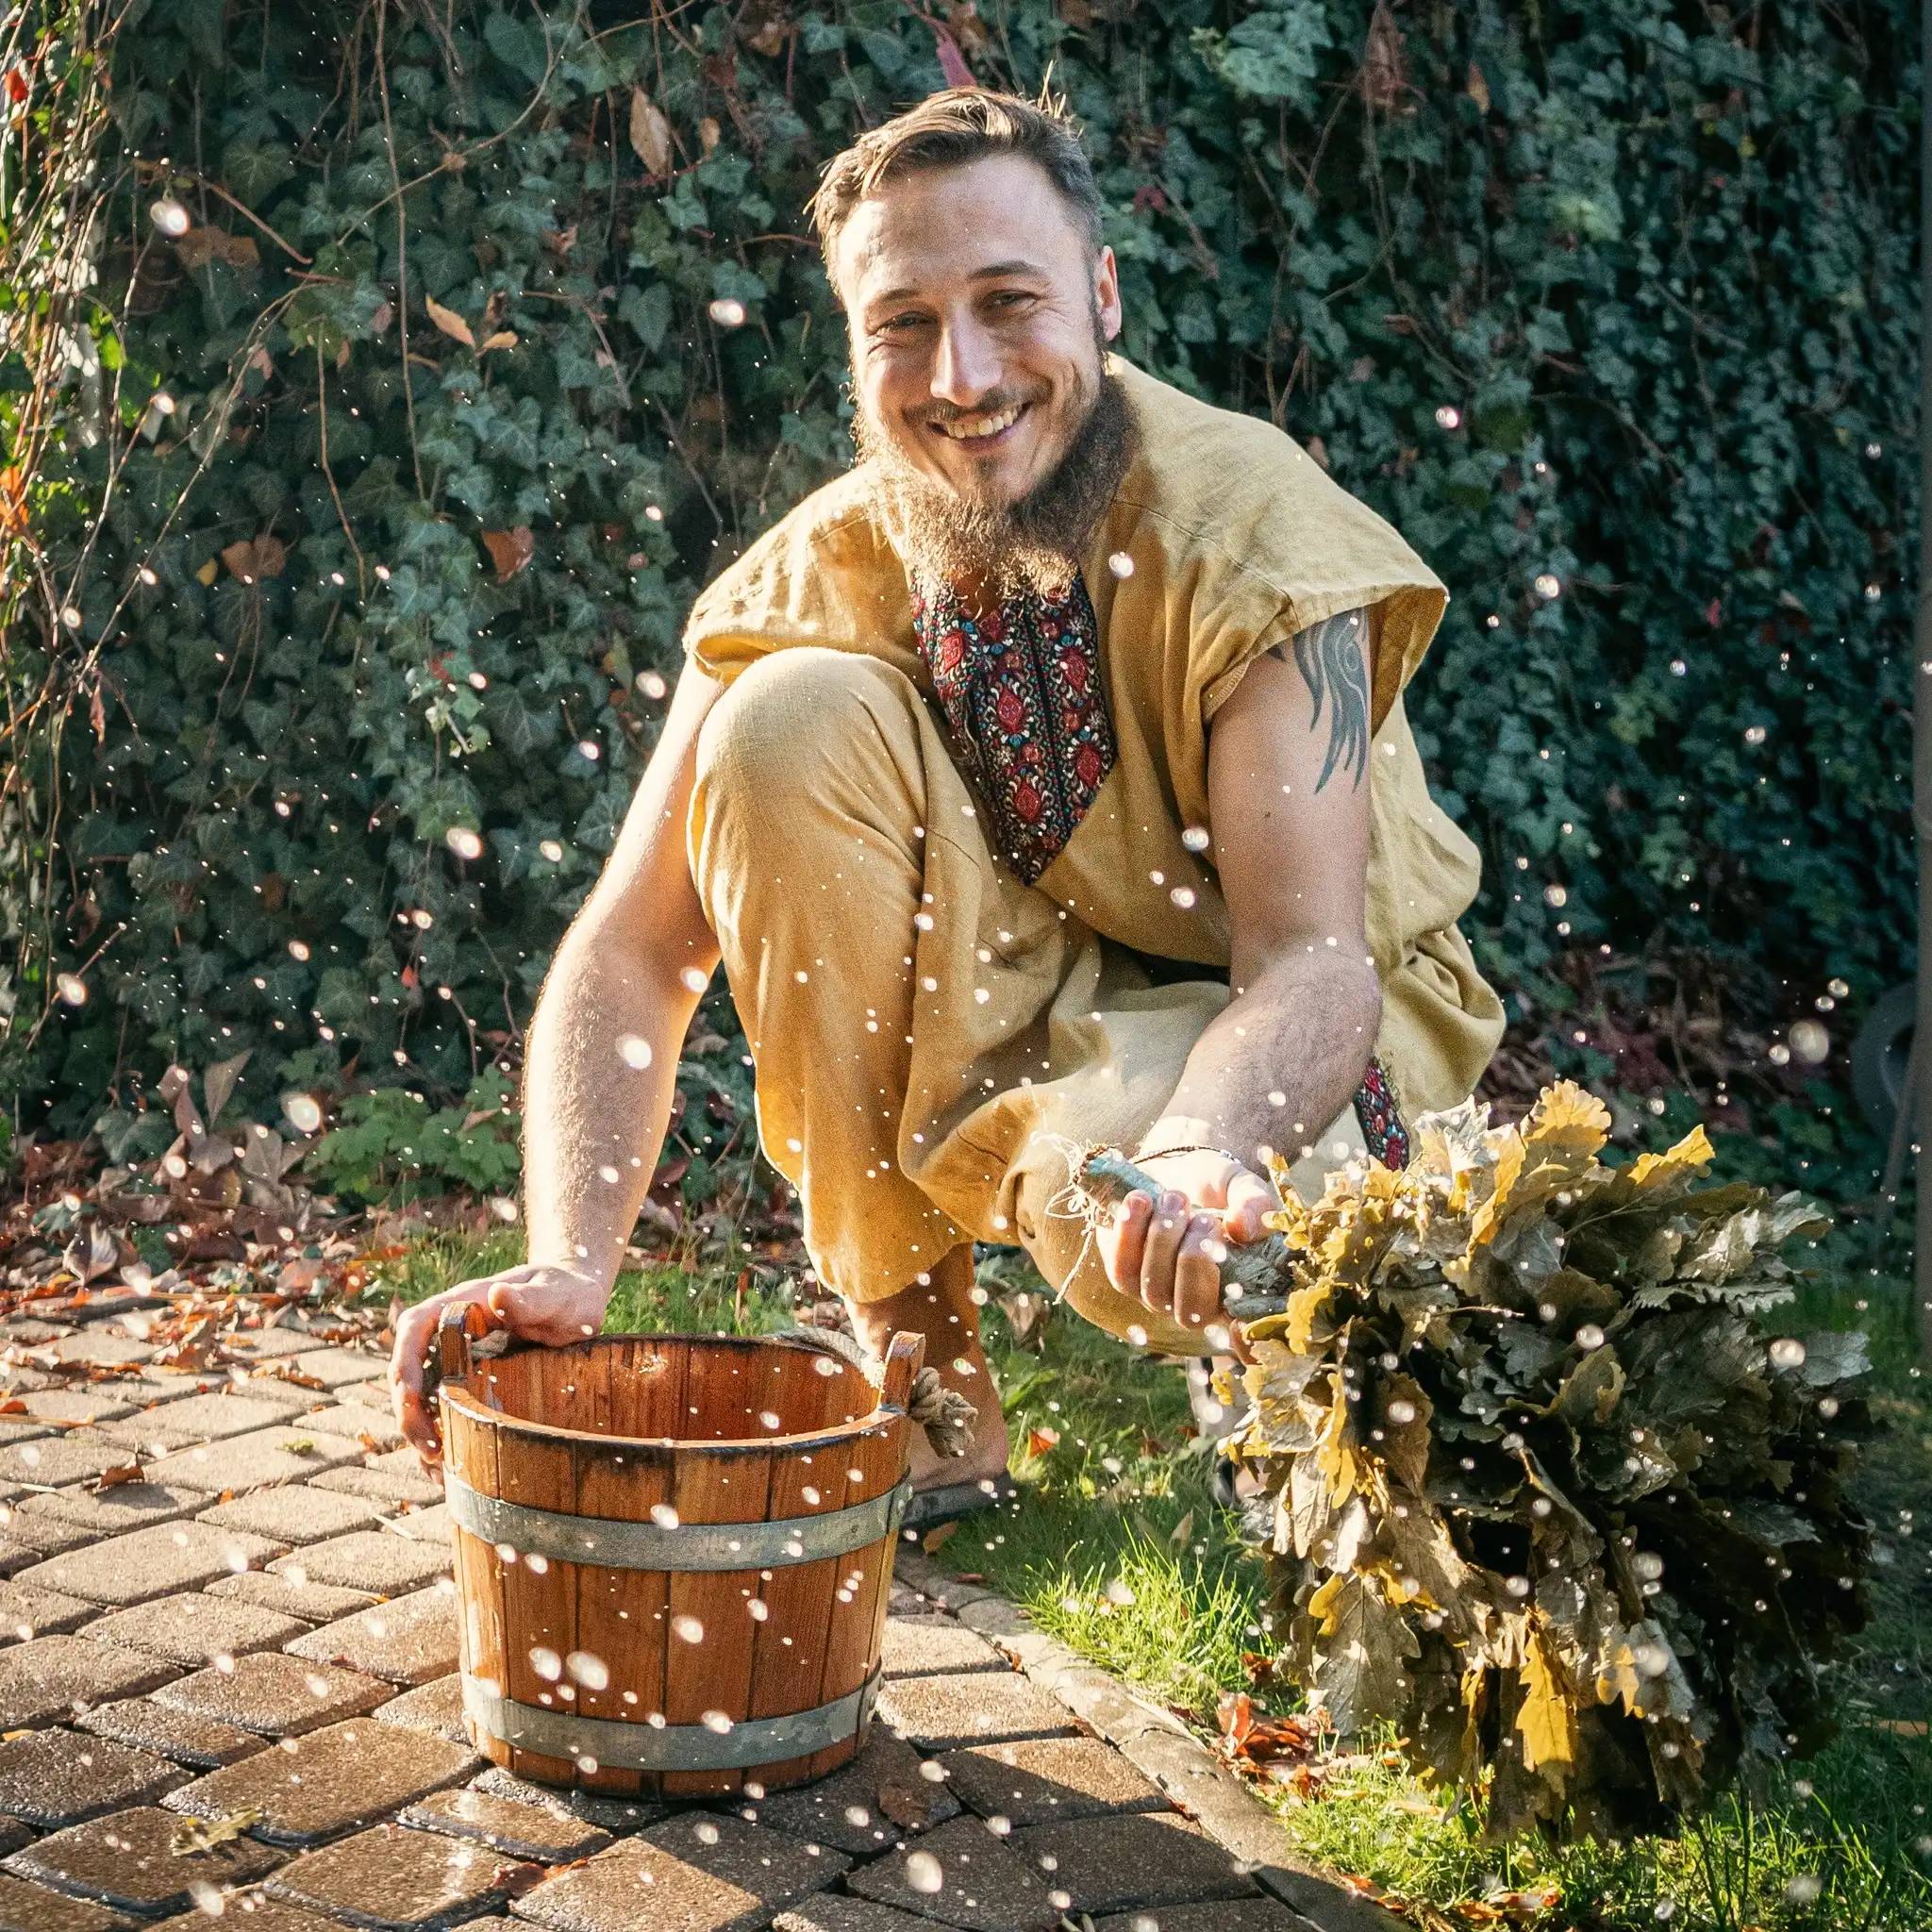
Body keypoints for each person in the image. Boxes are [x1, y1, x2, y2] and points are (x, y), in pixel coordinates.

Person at [390, 87, 1504, 1524]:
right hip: (1022, 966)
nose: (961, 373)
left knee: (1223, 1242)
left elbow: (1308, 963)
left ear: (1102, 295)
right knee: (776, 721)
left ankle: (1281, 1405)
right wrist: (570, 1262)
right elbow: (629, 952)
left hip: (1273, 1015)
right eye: (901, 323)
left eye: (1008, 302)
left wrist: (1199, 1156)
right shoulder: (824, 568)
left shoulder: (1253, 532)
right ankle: (926, 1389)